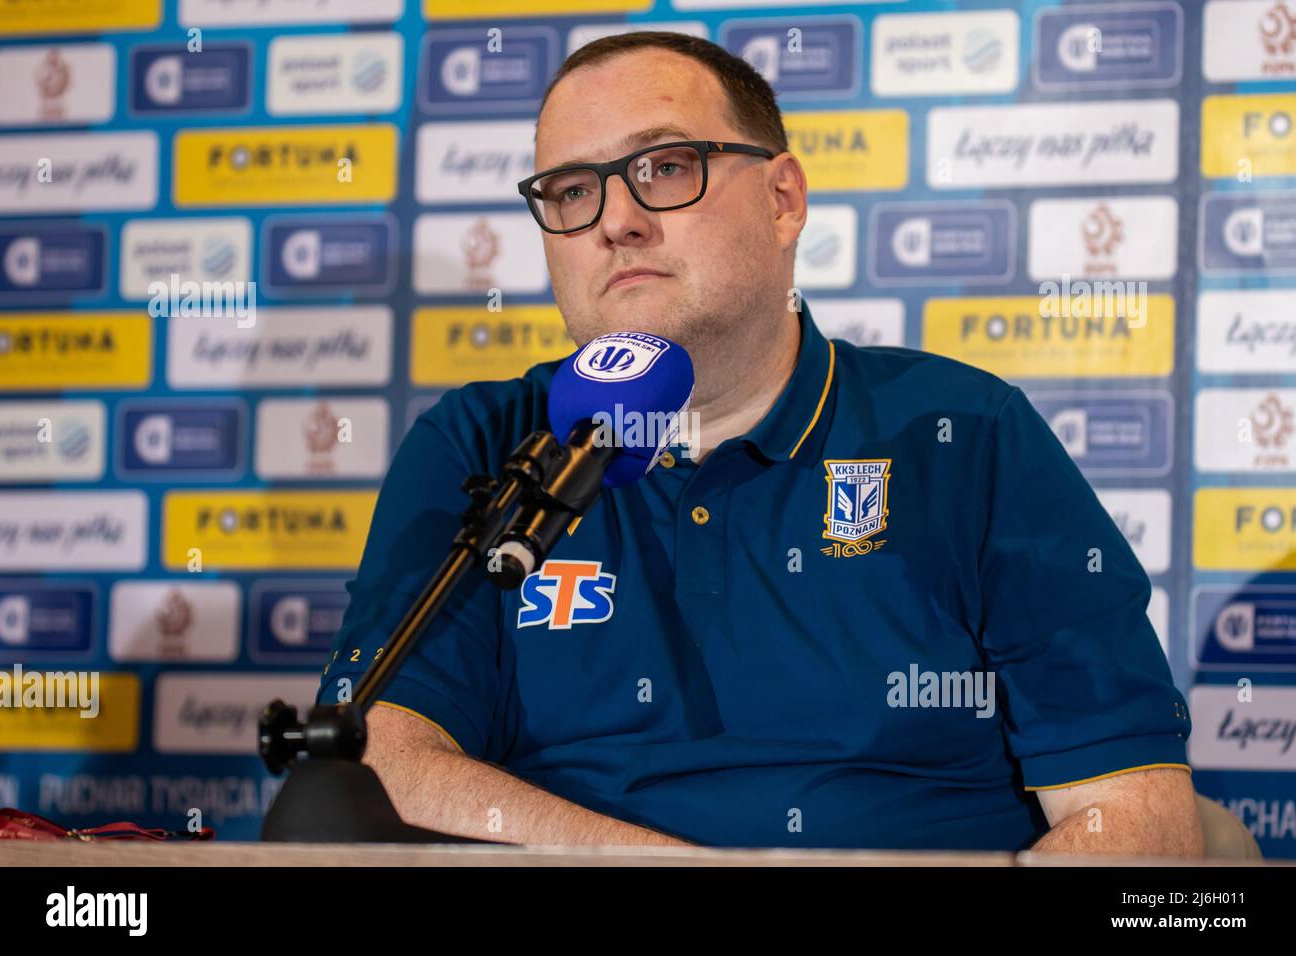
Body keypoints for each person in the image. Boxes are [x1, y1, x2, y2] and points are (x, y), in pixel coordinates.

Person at [316, 32, 1203, 854]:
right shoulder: (483, 444)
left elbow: (1133, 818)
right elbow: (373, 765)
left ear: (783, 200)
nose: (614, 221)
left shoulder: (966, 435)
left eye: (664, 167)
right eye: (572, 191)